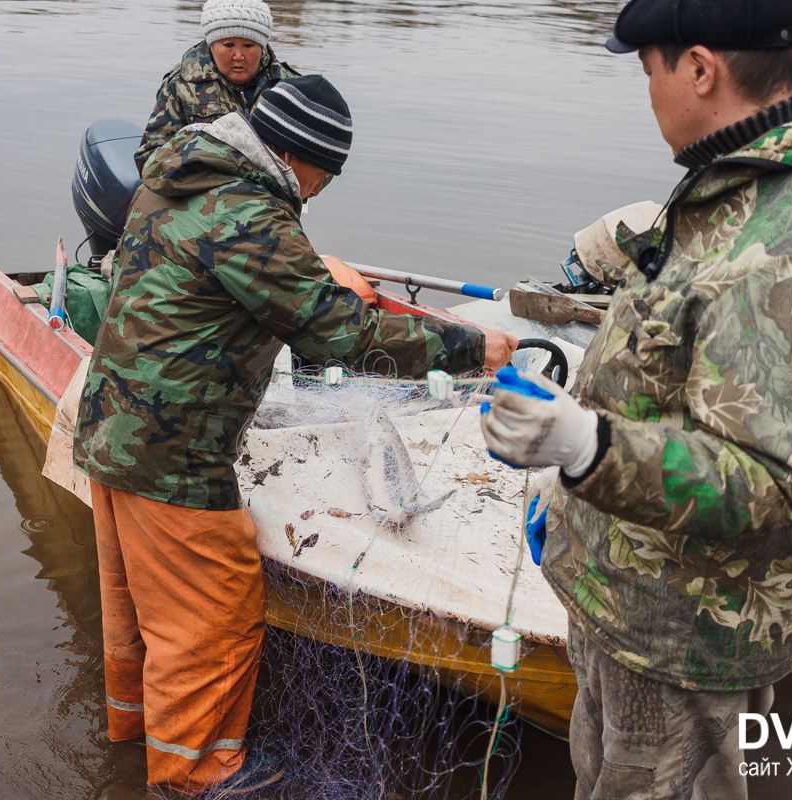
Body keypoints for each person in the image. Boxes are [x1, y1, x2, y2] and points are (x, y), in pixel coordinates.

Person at [480, 0, 792, 797]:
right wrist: (575, 492)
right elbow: (675, 390)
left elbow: (766, 485)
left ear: (701, 69)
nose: (649, 94)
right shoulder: (731, 187)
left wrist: (586, 448)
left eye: (651, 71)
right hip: (625, 605)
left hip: (683, 643)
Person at [75, 75, 519, 794]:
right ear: (299, 156)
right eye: (325, 174)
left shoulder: (180, 174)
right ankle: (196, 776)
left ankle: (134, 732)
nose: (319, 191)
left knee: (138, 606)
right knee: (215, 613)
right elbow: (339, 329)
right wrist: (471, 350)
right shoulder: (252, 213)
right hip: (172, 453)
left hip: (110, 427)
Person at [134, 0, 299, 175]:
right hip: (205, 195)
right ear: (212, 44)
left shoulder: (289, 87)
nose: (238, 56)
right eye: (228, 45)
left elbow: (319, 164)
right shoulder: (181, 85)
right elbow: (149, 157)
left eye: (248, 45)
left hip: (275, 196)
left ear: (262, 46)